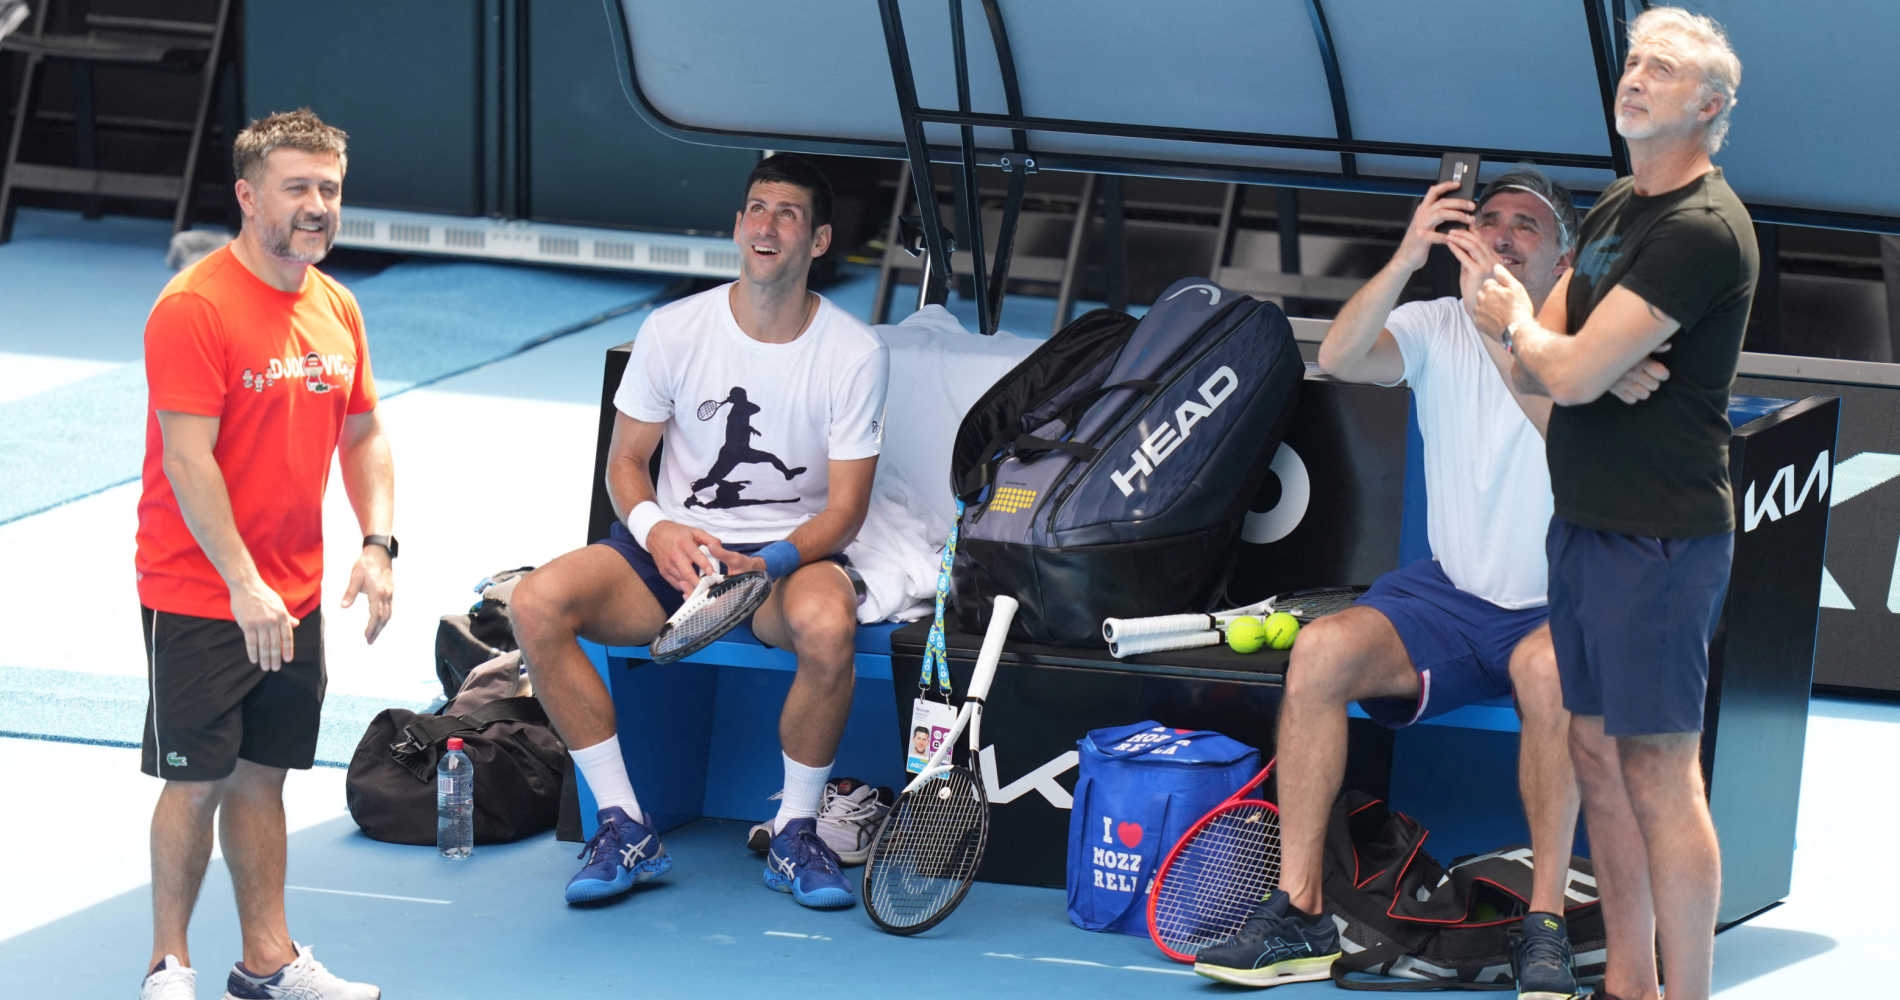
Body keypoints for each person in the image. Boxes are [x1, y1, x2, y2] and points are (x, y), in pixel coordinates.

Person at [1196, 166, 1669, 998]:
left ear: (1564, 261)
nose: (1502, 232)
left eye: (1527, 223)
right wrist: (1410, 253)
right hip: (1452, 599)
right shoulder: (1434, 323)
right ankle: (1300, 912)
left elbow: (1568, 439)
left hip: (1569, 598)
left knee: (1548, 673)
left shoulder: (1590, 340)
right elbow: (1340, 356)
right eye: (1488, 218)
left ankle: (1546, 923)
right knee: (1320, 652)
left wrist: (1506, 331)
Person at [1462, 10, 1755, 1000]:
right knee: (1594, 749)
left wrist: (1566, 356)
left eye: (1661, 69)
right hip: (1581, 523)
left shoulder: (1700, 231)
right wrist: (1559, 355)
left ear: (1708, 106)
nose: (1633, 78)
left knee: (1661, 771)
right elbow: (1541, 359)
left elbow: (1557, 357)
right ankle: (1626, 983)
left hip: (1661, 540)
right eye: (1632, 62)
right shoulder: (1618, 205)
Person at [509, 153, 889, 911]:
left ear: (817, 241)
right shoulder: (674, 329)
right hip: (671, 559)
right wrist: (656, 533)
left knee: (827, 624)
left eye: (787, 213)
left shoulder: (854, 353)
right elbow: (626, 464)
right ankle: (624, 825)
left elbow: (845, 510)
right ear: (739, 226)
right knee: (534, 603)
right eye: (756, 208)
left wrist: (769, 562)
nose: (766, 225)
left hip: (786, 561)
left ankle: (794, 831)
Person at [136, 109, 393, 1000]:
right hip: (202, 592)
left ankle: (269, 963)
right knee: (195, 781)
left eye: (328, 188)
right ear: (248, 197)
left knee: (263, 778)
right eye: (297, 187)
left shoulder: (336, 305)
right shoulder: (195, 307)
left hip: (294, 593)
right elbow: (185, 456)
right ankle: (170, 966)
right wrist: (241, 584)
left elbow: (363, 433)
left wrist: (377, 541)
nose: (317, 206)